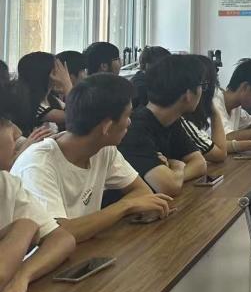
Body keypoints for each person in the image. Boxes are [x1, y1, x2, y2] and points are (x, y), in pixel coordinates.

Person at [12, 74, 173, 242]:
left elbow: (141, 191)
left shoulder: (104, 149)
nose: (129, 123)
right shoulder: (37, 165)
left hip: (85, 248)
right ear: (107, 127)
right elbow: (59, 235)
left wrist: (123, 207)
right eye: (127, 116)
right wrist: (125, 206)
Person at [0, 86, 76, 292]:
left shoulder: (6, 183)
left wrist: (24, 275)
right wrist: (24, 227)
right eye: (7, 123)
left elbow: (62, 239)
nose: (16, 132)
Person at [116, 54, 207, 197]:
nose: (203, 92)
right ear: (188, 94)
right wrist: (178, 166)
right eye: (202, 86)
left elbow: (200, 163)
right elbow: (168, 186)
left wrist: (173, 173)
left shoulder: (171, 120)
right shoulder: (134, 129)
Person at [181, 56, 251, 162]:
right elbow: (220, 149)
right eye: (206, 86)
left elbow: (214, 147)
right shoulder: (212, 103)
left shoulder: (235, 106)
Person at [14, 51, 73, 132]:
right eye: (56, 70)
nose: (61, 74)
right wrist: (67, 84)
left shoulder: (52, 99)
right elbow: (75, 116)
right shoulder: (34, 105)